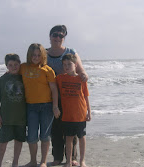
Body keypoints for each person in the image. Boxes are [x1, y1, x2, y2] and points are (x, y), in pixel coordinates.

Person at [47, 25, 88, 166]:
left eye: (61, 35)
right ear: (50, 36)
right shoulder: (43, 53)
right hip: (51, 97)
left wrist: (84, 74)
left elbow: (80, 70)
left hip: (70, 97)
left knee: (72, 129)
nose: (57, 37)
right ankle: (57, 157)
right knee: (56, 129)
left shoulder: (71, 52)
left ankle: (72, 158)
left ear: (64, 38)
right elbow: (28, 67)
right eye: (55, 34)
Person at [20, 43, 60, 167]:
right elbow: (11, 73)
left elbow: (54, 89)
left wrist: (55, 106)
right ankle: (33, 161)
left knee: (45, 135)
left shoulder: (47, 70)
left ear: (42, 55)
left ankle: (43, 161)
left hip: (46, 107)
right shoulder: (23, 67)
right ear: (29, 55)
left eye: (38, 55)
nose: (36, 57)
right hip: (31, 107)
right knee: (31, 136)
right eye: (33, 55)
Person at [56, 53, 91, 167]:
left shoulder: (81, 79)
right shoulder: (60, 78)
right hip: (67, 115)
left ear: (75, 65)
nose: (66, 66)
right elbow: (52, 89)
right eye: (64, 64)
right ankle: (68, 161)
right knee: (69, 139)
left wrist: (89, 112)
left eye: (69, 64)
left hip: (80, 114)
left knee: (81, 138)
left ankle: (82, 161)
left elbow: (86, 96)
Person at [0, 54, 26, 167]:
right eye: (10, 65)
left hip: (21, 118)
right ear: (7, 66)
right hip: (6, 118)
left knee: (19, 140)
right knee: (3, 142)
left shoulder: (23, 77)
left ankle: (15, 163)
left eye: (16, 64)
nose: (14, 67)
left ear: (20, 64)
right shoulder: (2, 80)